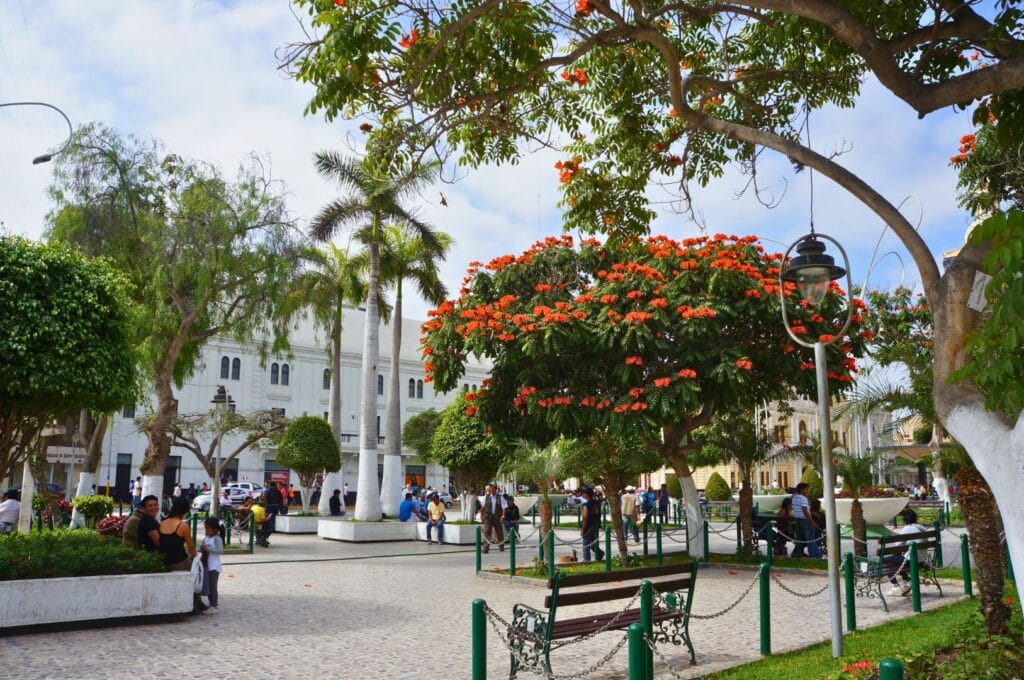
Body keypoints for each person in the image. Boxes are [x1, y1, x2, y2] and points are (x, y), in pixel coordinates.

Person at [159, 496, 205, 613]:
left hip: (166, 561)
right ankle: (196, 602)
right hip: (180, 561)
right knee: (197, 574)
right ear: (185, 511)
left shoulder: (162, 523)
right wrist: (194, 556)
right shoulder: (183, 526)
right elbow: (192, 550)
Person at [885, 510, 927, 596]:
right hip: (922, 559)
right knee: (895, 556)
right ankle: (906, 579)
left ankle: (896, 585)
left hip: (912, 560)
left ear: (905, 519)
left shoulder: (908, 528)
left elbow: (898, 545)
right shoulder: (921, 527)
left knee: (885, 560)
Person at [790, 483, 822, 558]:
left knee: (808, 539)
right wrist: (812, 522)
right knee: (811, 539)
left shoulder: (794, 497)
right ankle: (814, 555)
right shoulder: (803, 498)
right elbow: (805, 511)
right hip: (805, 520)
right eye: (807, 489)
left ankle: (818, 555)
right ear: (802, 490)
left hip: (798, 519)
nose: (808, 491)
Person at [201, 517, 224, 612]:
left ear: (215, 529)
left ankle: (214, 605)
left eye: (208, 529)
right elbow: (201, 548)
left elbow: (220, 551)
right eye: (205, 528)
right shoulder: (206, 538)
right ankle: (212, 603)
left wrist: (208, 549)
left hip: (214, 566)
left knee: (213, 586)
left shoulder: (217, 539)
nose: (206, 531)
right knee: (208, 586)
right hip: (207, 565)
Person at [580, 487, 604, 562]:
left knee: (586, 545)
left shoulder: (586, 505)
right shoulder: (597, 503)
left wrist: (582, 530)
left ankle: (586, 560)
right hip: (596, 526)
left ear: (586, 494)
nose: (582, 495)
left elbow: (585, 518)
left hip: (588, 527)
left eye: (583, 493)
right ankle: (599, 554)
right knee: (594, 543)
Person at [479, 484, 506, 554]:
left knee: (499, 532)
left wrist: (503, 516)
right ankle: (486, 548)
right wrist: (481, 516)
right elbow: (482, 507)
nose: (491, 490)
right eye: (490, 489)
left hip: (497, 517)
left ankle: (501, 546)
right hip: (488, 517)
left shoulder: (500, 497)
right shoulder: (485, 497)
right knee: (487, 532)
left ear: (495, 489)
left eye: (493, 489)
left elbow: (504, 507)